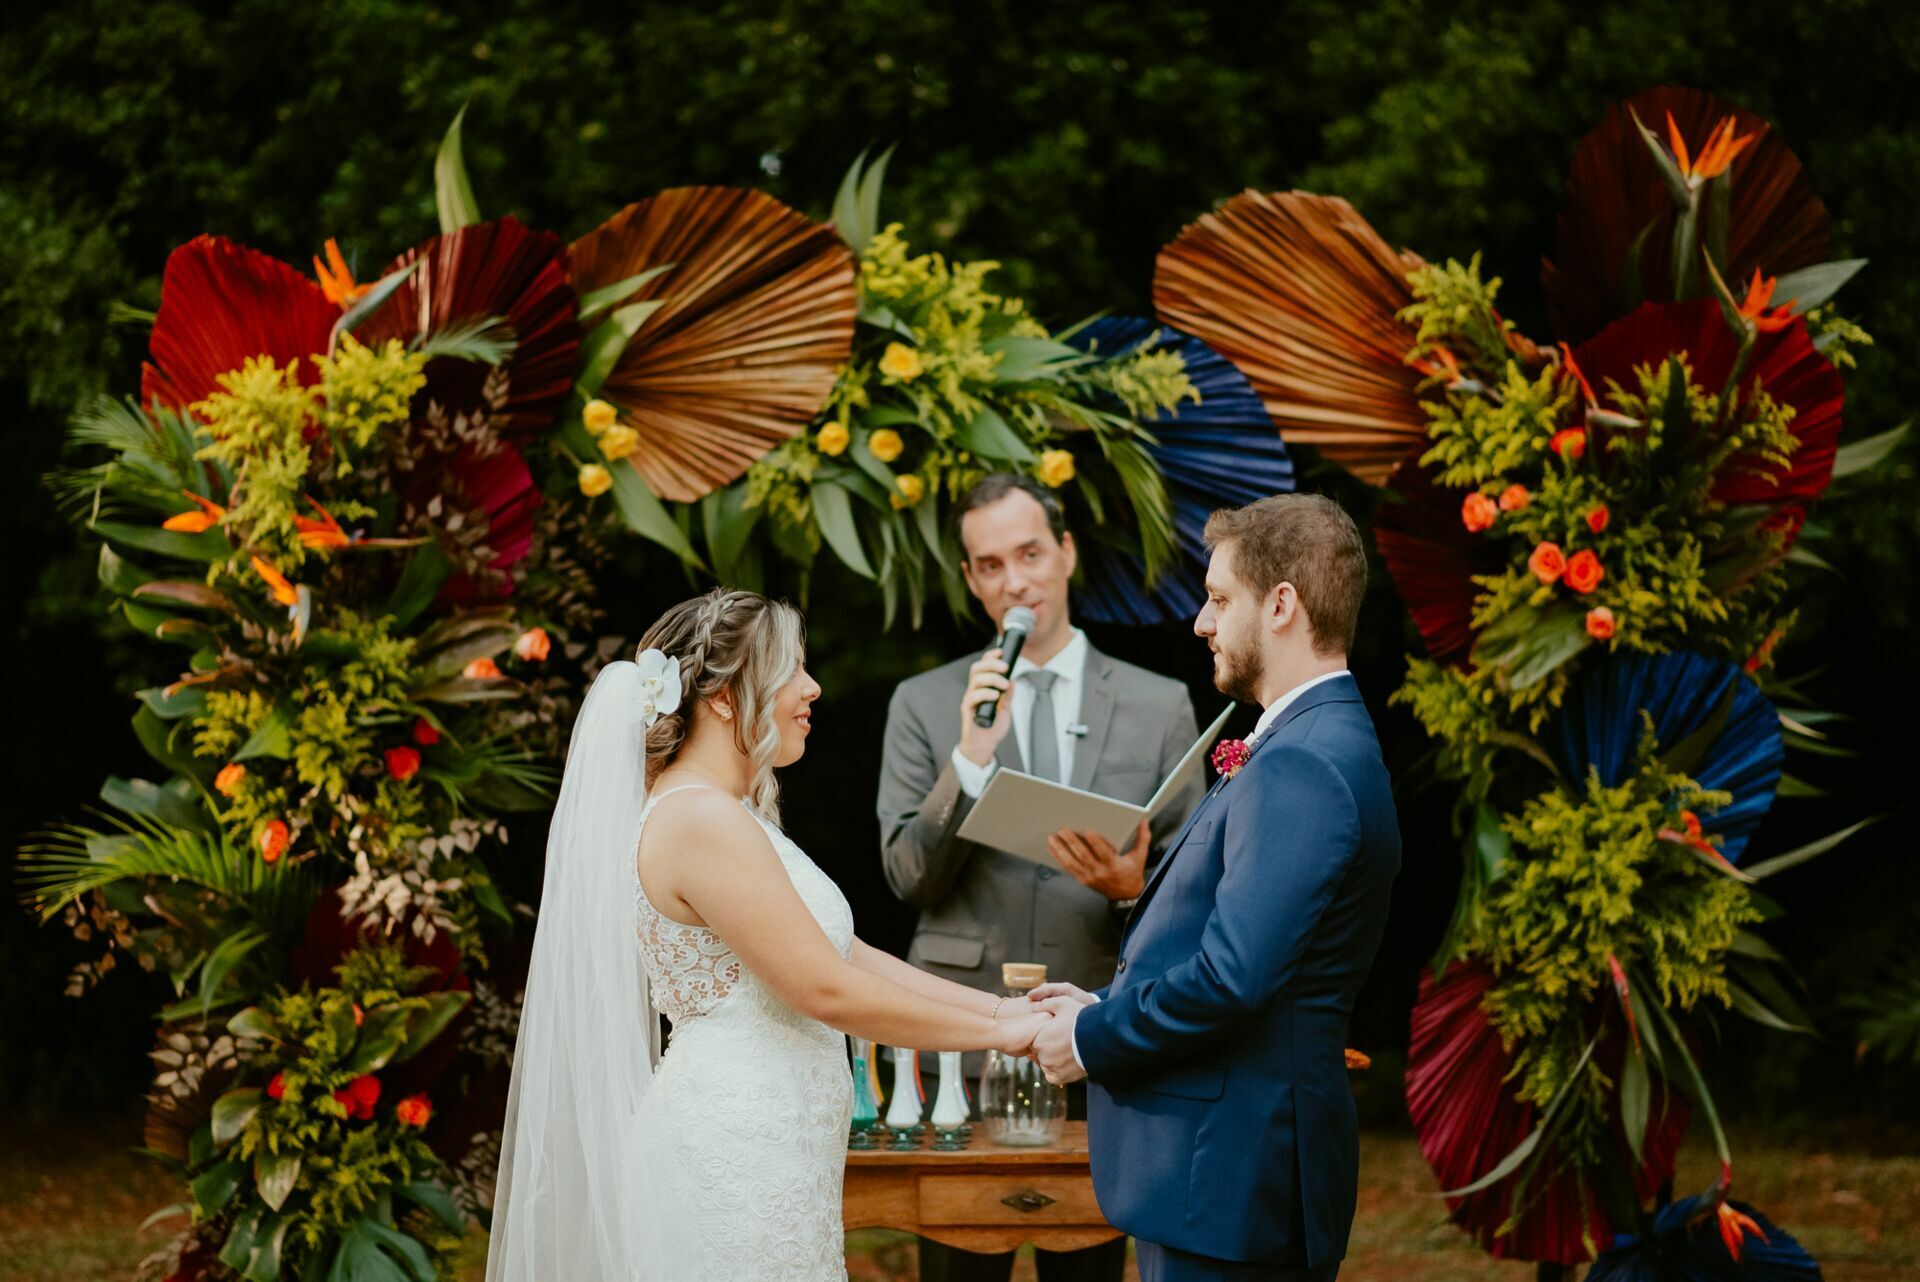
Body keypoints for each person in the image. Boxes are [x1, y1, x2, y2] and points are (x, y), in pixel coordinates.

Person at [487, 588, 1054, 1282]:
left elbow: (846, 954)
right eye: (791, 670)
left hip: (775, 1159)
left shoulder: (729, 814)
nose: (812, 688)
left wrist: (1007, 1012)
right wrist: (1005, 1038)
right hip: (734, 1159)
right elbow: (823, 987)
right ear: (724, 696)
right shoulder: (699, 819)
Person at [1027, 494, 1401, 1282]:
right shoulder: (1312, 742)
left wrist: (1092, 1040)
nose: (1201, 621)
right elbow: (1242, 948)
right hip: (1226, 1175)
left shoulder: (1306, 762)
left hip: (1233, 1180)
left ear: (1282, 605)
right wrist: (1102, 1004)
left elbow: (1234, 979)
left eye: (1219, 599)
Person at [877, 473, 1203, 1282]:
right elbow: (907, 877)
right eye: (990, 565)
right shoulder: (924, 703)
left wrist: (1133, 888)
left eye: (1028, 554)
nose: (1013, 582)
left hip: (1099, 1040)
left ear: (1065, 553)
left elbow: (1197, 891)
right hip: (962, 1043)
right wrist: (970, 761)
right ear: (970, 578)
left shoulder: (1159, 704)